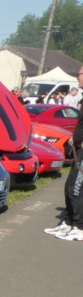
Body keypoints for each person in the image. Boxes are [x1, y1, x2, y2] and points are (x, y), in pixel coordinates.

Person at [46, 65, 83, 241]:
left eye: (80, 73)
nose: (78, 77)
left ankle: (79, 226)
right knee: (69, 185)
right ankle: (68, 222)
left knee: (76, 188)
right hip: (78, 148)